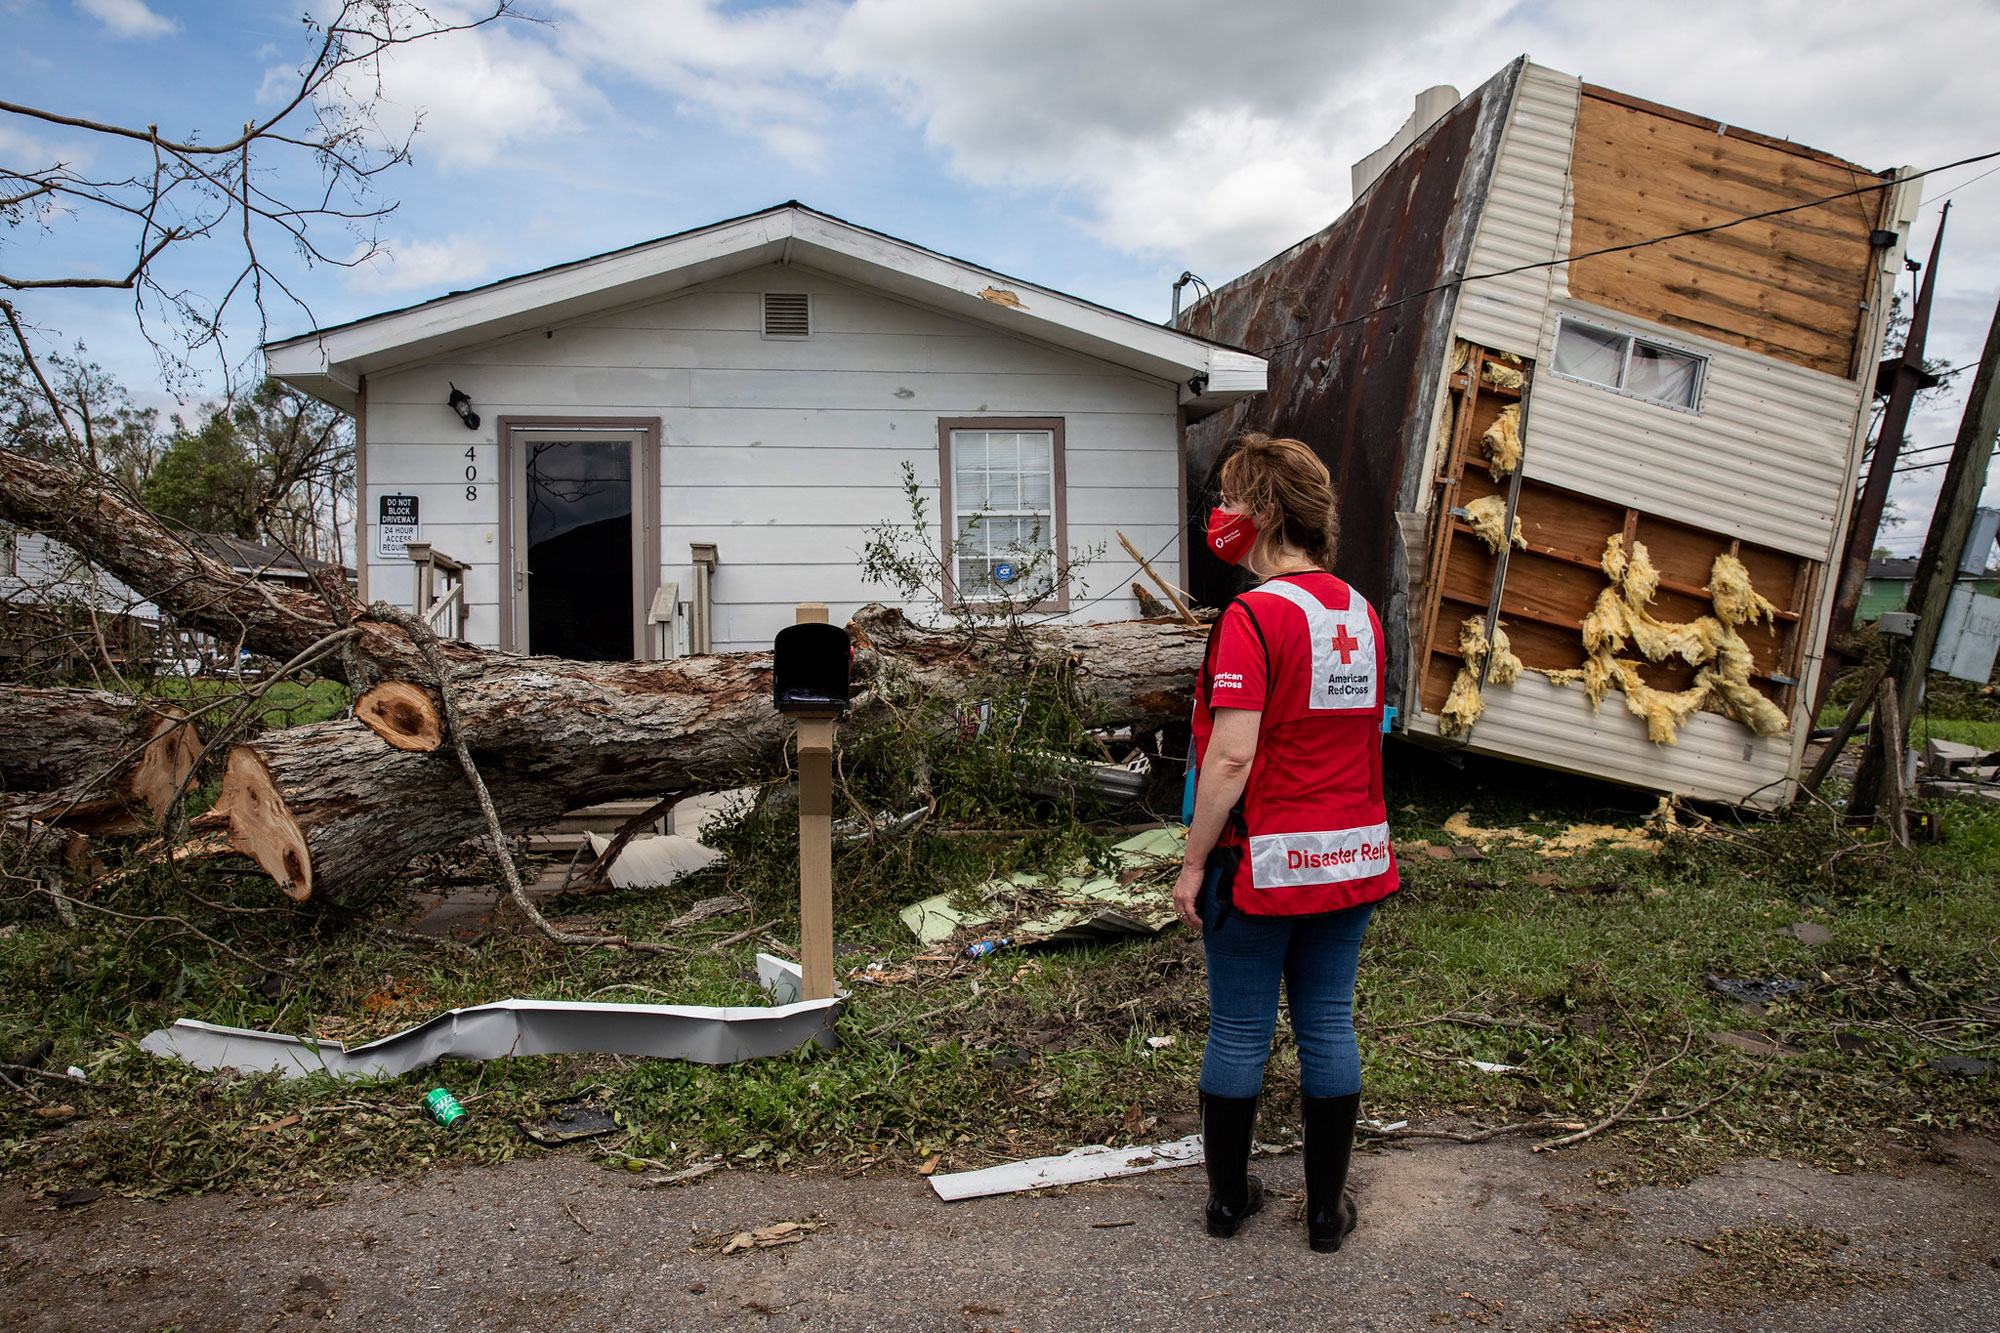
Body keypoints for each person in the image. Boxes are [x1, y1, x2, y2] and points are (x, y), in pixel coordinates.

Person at [1172, 433, 1399, 1253]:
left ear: (1266, 511)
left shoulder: (1251, 615)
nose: (1219, 516)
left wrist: (1195, 860)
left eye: (1230, 499)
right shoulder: (1362, 613)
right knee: (1329, 1023)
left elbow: (1232, 755)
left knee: (1238, 1030)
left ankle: (1230, 1202)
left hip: (1262, 858)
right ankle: (1323, 1213)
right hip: (1354, 856)